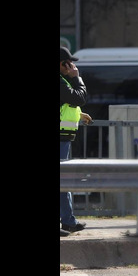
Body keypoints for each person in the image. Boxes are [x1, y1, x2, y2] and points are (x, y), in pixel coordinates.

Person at [60, 46, 93, 237]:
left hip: (64, 138)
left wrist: (78, 114)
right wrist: (76, 77)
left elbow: (67, 103)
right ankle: (68, 221)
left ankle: (68, 221)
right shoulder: (63, 81)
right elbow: (80, 97)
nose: (71, 66)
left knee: (63, 181)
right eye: (68, 63)